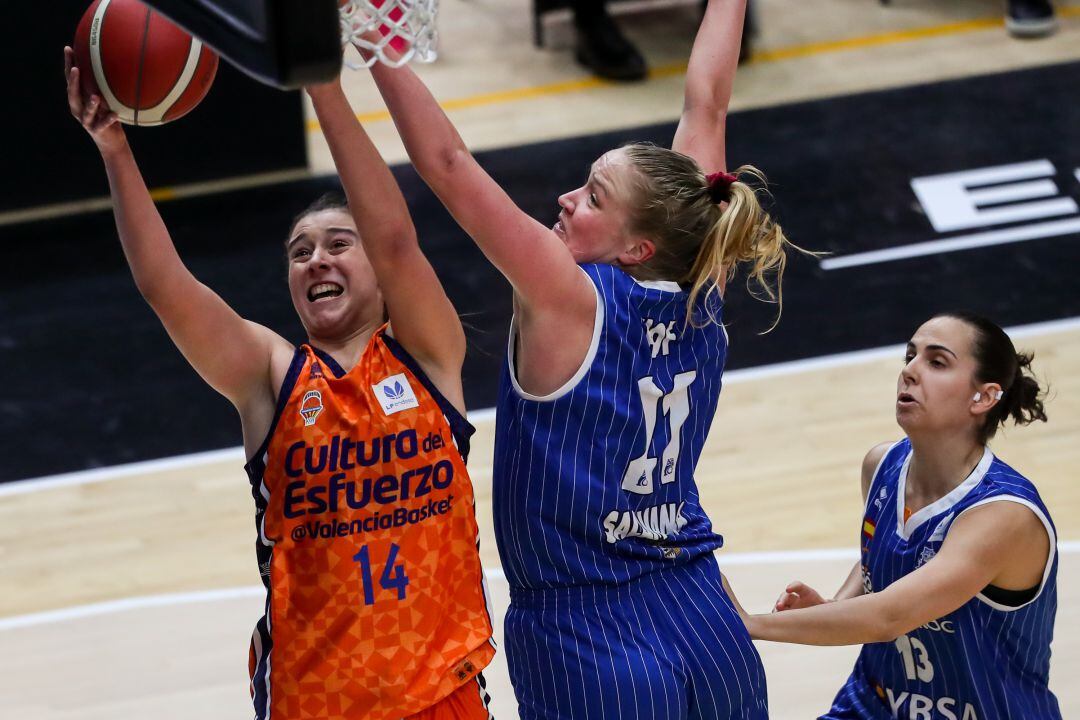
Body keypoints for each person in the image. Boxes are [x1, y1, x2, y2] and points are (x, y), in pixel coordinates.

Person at [359, 0, 804, 715]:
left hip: (583, 629)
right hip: (701, 614)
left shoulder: (564, 297)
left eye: (593, 196)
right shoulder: (702, 276)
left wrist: (373, 39)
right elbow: (707, 103)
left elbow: (446, 165)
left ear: (635, 247)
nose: (566, 200)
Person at [64, 49, 496, 720]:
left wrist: (322, 85)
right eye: (300, 252)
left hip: (441, 693)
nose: (316, 258)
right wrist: (114, 150)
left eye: (336, 243)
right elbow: (167, 290)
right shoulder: (271, 374)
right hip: (315, 700)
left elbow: (397, 239)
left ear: (379, 273)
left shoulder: (427, 357)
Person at [740, 312, 1061, 719]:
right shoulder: (881, 465)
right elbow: (881, 557)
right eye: (910, 355)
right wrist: (834, 605)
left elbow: (889, 615)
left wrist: (749, 624)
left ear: (982, 397)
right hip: (874, 703)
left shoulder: (1003, 515)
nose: (910, 371)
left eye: (937, 362)